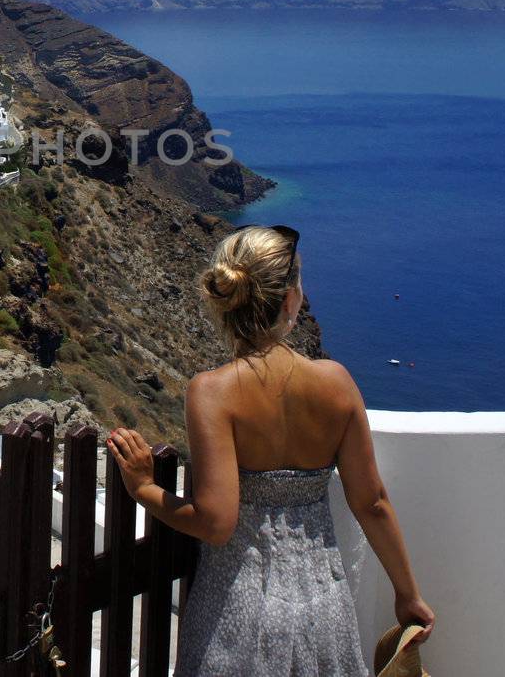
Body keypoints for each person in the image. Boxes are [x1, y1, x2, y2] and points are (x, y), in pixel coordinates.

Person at [107, 225, 434, 676]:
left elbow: (216, 524)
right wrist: (407, 594)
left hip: (237, 613)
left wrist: (143, 487)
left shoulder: (212, 393)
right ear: (289, 300)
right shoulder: (336, 383)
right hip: (324, 608)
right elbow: (372, 502)